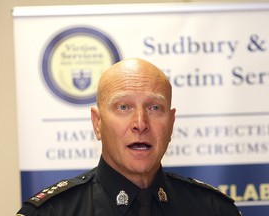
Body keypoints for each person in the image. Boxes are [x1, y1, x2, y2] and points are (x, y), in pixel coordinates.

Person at [16, 58, 241, 216]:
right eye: (123, 107)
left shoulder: (214, 209)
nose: (140, 124)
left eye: (154, 108)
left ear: (171, 124)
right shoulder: (52, 212)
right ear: (98, 123)